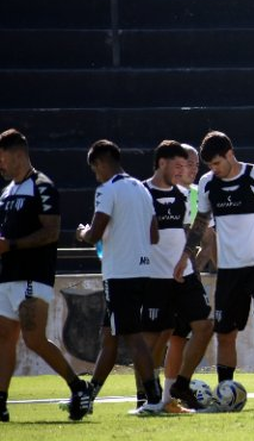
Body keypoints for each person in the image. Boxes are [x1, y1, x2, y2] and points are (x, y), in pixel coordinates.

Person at [175, 131, 254, 390]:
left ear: (230, 155)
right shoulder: (209, 183)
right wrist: (186, 255)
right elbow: (201, 223)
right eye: (209, 165)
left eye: (217, 163)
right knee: (225, 333)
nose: (214, 169)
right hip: (230, 270)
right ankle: (225, 390)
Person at [0, 129, 92, 422]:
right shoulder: (7, 191)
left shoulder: (42, 186)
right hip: (7, 276)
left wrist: (11, 245)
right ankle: (1, 402)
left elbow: (51, 232)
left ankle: (78, 387)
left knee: (34, 339)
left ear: (16, 154)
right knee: (4, 338)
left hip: (32, 275)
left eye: (1, 158)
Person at [76, 139, 163, 415]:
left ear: (100, 163)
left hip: (120, 274)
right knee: (109, 337)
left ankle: (153, 398)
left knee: (133, 338)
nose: (96, 175)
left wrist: (82, 233)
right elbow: (154, 234)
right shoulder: (141, 188)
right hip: (143, 269)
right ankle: (89, 398)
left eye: (94, 170)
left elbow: (95, 233)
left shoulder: (106, 190)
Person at [140, 140, 214, 412]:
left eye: (190, 166)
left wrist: (186, 257)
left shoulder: (188, 196)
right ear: (163, 164)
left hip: (185, 275)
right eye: (181, 165)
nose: (186, 171)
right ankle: (149, 397)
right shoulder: (141, 192)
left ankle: (178, 387)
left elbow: (198, 230)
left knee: (204, 326)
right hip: (154, 276)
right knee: (155, 338)